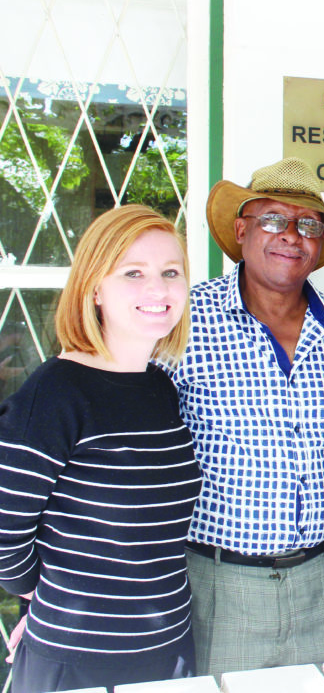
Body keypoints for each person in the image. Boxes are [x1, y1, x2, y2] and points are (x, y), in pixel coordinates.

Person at [169, 157, 324, 677]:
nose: (291, 235)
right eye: (273, 219)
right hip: (222, 586)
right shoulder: (184, 325)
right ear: (242, 230)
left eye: (308, 224)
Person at [0, 205, 200, 693]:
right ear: (94, 289)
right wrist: (45, 601)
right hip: (79, 662)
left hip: (168, 651)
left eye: (170, 273)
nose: (158, 289)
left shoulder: (160, 388)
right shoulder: (56, 393)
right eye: (133, 273)